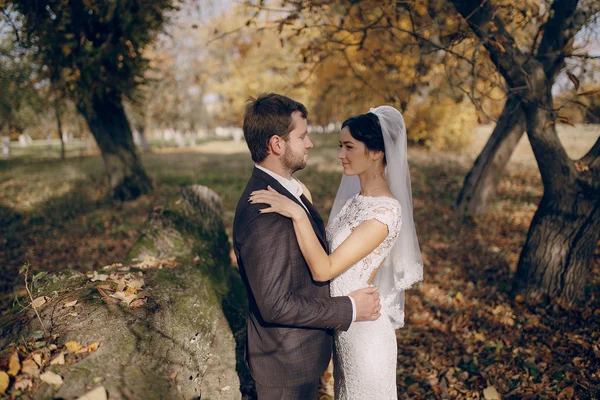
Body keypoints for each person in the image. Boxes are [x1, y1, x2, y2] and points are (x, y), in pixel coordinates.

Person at [250, 105, 423, 399]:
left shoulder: (385, 212)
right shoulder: (357, 200)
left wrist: (298, 214)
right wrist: (302, 200)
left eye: (349, 147)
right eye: (340, 146)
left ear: (376, 152)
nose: (340, 154)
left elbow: (325, 268)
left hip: (366, 337)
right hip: (345, 327)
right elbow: (333, 243)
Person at [233, 93, 382, 400]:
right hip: (284, 365)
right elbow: (275, 304)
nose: (310, 143)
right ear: (277, 144)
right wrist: (350, 308)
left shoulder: (288, 192)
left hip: (300, 357)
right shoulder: (264, 213)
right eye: (302, 136)